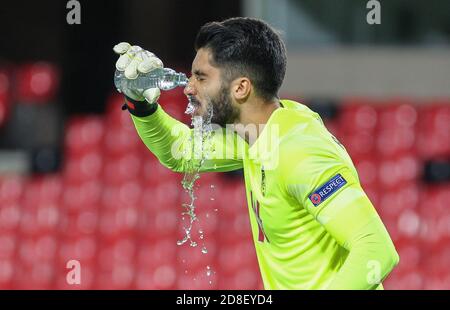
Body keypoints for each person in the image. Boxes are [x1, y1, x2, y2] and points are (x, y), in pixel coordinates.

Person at [113, 17, 399, 290]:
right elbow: (183, 152)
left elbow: (376, 247)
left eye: (201, 77)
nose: (188, 87)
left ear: (240, 87)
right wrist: (141, 105)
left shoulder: (299, 151)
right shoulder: (256, 132)